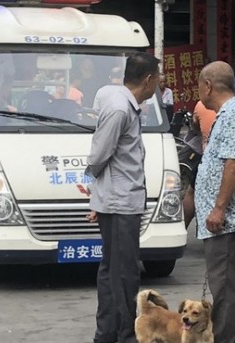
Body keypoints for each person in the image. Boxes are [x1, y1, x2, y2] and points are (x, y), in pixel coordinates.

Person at [86, 52, 160, 343]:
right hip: (120, 202)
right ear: (148, 79)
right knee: (125, 273)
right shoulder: (120, 108)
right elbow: (98, 156)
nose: (159, 85)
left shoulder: (122, 102)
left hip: (118, 199)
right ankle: (126, 335)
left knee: (113, 271)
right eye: (159, 79)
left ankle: (107, 334)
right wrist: (102, 195)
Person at [195, 60, 235, 343]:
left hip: (229, 222)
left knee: (225, 294)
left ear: (207, 86)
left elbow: (234, 164)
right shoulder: (230, 113)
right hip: (230, 222)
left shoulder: (234, 114)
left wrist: (219, 208)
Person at [182, 100, 217, 229]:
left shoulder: (201, 105)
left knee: (192, 192)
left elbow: (195, 127)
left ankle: (183, 228)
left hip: (207, 158)